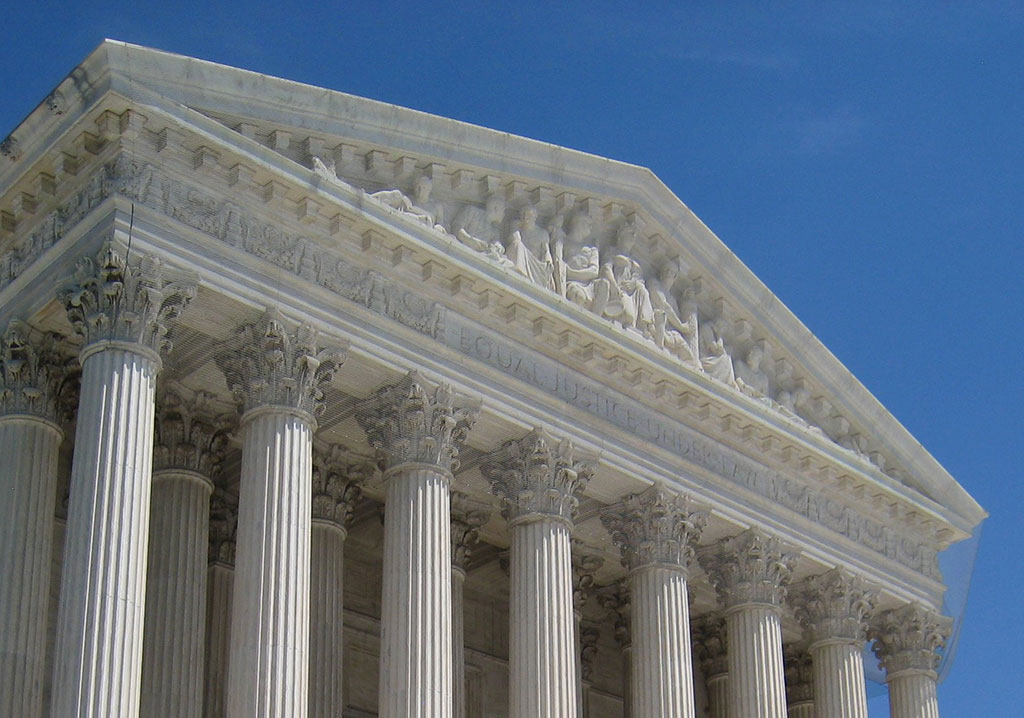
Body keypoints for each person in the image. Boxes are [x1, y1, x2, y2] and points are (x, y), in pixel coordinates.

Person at [648, 260, 699, 367]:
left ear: (675, 278)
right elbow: (663, 305)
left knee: (689, 357)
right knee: (661, 315)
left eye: (671, 272)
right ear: (661, 274)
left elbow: (674, 314)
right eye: (666, 270)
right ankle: (659, 348)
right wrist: (681, 326)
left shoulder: (673, 300)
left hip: (670, 331)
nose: (668, 274)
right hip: (653, 321)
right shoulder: (654, 283)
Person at [505, 205, 555, 290]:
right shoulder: (519, 231)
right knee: (518, 245)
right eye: (523, 214)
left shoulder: (542, 233)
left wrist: (548, 261)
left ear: (535, 217)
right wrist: (514, 227)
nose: (525, 217)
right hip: (523, 262)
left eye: (529, 214)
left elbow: (546, 251)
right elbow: (515, 241)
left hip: (536, 265)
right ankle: (519, 273)